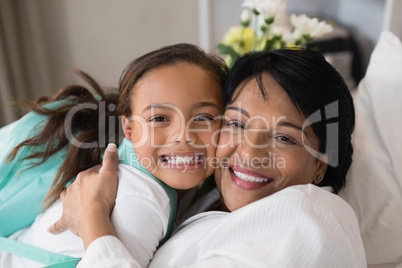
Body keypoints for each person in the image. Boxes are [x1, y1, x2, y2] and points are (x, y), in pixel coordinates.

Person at [50, 48, 367, 267]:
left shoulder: (312, 220)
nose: (249, 151)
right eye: (236, 124)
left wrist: (92, 221)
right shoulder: (206, 197)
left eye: (284, 137)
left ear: (321, 163)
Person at [0, 44, 227, 267]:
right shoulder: (143, 200)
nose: (183, 136)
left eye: (204, 118)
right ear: (129, 129)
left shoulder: (141, 166)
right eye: (159, 119)